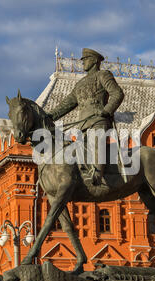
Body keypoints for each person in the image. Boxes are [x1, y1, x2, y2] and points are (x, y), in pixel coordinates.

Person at [47, 48, 124, 185]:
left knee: (96, 143)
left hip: (98, 120)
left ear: (94, 61)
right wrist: (49, 116)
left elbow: (117, 93)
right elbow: (66, 104)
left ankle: (97, 176)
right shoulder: (80, 84)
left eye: (85, 59)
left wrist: (107, 110)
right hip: (82, 125)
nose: (82, 63)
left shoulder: (103, 75)